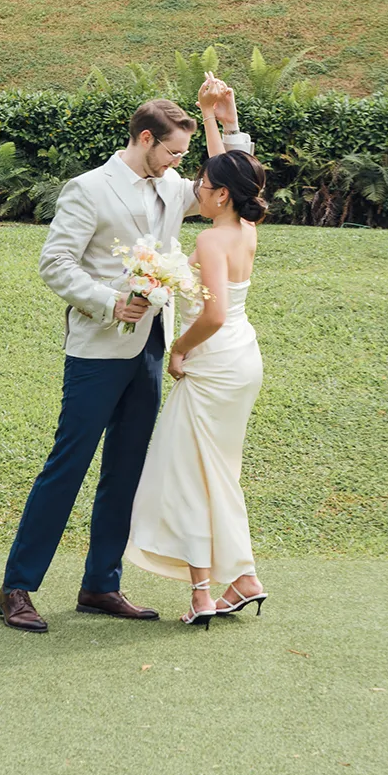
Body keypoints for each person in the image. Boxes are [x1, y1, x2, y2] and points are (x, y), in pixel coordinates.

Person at [0, 78, 252, 633]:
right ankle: (17, 587)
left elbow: (232, 183)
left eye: (185, 155)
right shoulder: (87, 189)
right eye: (173, 153)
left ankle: (101, 585)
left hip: (152, 350)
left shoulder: (172, 185)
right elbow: (56, 264)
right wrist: (112, 302)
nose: (181, 165)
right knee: (68, 466)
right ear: (144, 139)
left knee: (126, 470)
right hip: (96, 350)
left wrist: (228, 122)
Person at [125, 130, 268, 630]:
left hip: (212, 361)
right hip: (242, 360)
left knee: (190, 474)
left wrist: (179, 351)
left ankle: (204, 592)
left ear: (222, 194)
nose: (197, 188)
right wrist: (212, 115)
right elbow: (231, 167)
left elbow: (212, 315)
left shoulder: (209, 238)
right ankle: (241, 579)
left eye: (204, 184)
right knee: (216, 472)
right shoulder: (245, 229)